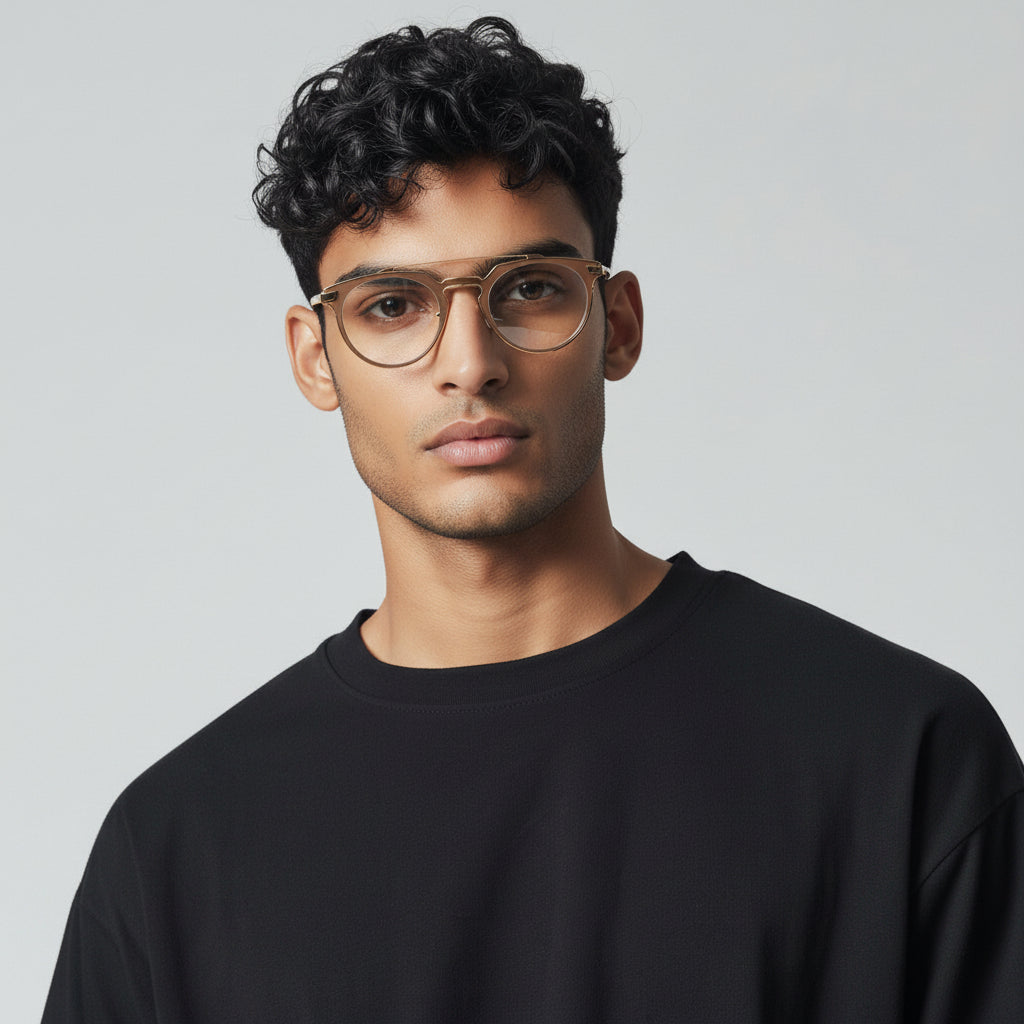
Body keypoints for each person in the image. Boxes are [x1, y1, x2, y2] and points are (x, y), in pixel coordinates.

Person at [42, 17, 1023, 1023]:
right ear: (313, 357)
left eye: (531, 289)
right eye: (392, 306)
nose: (471, 363)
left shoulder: (899, 755)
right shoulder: (178, 848)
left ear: (618, 325)